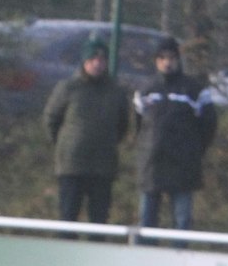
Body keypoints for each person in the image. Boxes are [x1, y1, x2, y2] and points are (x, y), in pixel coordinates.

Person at [134, 36, 218, 235]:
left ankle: (180, 259)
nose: (167, 62)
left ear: (178, 60)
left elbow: (208, 126)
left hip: (183, 165)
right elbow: (138, 126)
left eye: (171, 57)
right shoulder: (145, 90)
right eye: (162, 58)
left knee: (182, 221)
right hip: (151, 164)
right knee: (147, 220)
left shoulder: (194, 90)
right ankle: (145, 259)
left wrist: (194, 151)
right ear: (156, 61)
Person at [44, 39, 129, 224]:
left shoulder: (116, 92)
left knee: (99, 221)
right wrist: (65, 145)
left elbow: (123, 124)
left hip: (103, 167)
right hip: (72, 166)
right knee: (68, 217)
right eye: (93, 59)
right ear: (84, 61)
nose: (97, 64)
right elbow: (51, 120)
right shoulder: (68, 88)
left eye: (102, 60)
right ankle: (66, 253)